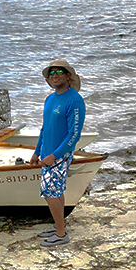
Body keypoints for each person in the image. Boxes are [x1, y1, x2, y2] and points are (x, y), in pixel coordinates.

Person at [30, 59, 86, 247]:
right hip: (46, 153)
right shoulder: (50, 98)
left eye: (59, 72)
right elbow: (45, 128)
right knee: (56, 190)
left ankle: (61, 235)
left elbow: (74, 135)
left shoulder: (75, 100)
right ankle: (59, 226)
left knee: (50, 192)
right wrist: (37, 152)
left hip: (60, 154)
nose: (55, 76)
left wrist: (54, 155)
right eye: (51, 73)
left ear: (68, 75)